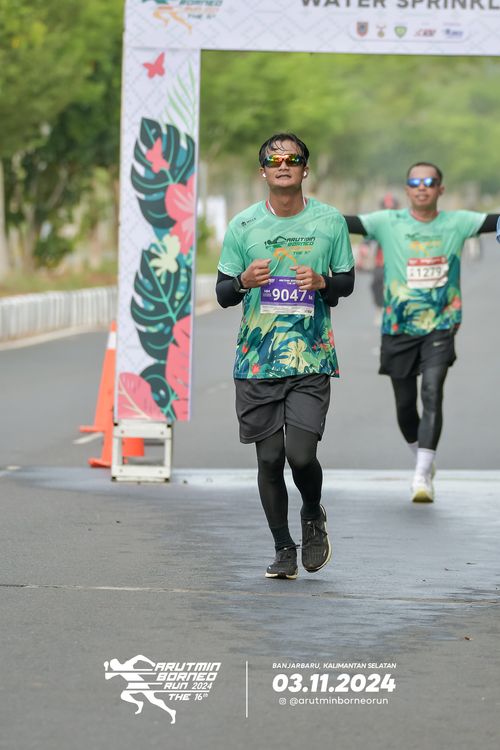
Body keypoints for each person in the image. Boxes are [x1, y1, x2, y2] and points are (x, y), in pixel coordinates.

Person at [216, 133, 354, 580]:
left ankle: (312, 511)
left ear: (304, 169)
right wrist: (242, 281)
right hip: (257, 360)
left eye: (292, 159)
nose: (283, 165)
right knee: (270, 459)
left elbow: (347, 282)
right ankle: (283, 548)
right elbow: (222, 294)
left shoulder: (330, 221)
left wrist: (323, 283)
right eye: (273, 160)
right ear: (262, 171)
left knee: (300, 455)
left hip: (310, 356)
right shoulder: (243, 226)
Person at [344, 163, 499, 503]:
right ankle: (423, 458)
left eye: (430, 182)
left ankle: (421, 475)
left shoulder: (458, 222)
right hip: (398, 328)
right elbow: (345, 222)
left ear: (440, 189)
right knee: (404, 406)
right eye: (415, 182)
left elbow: (494, 220)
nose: (422, 187)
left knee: (432, 391)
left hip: (441, 325)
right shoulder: (387, 222)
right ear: (407, 189)